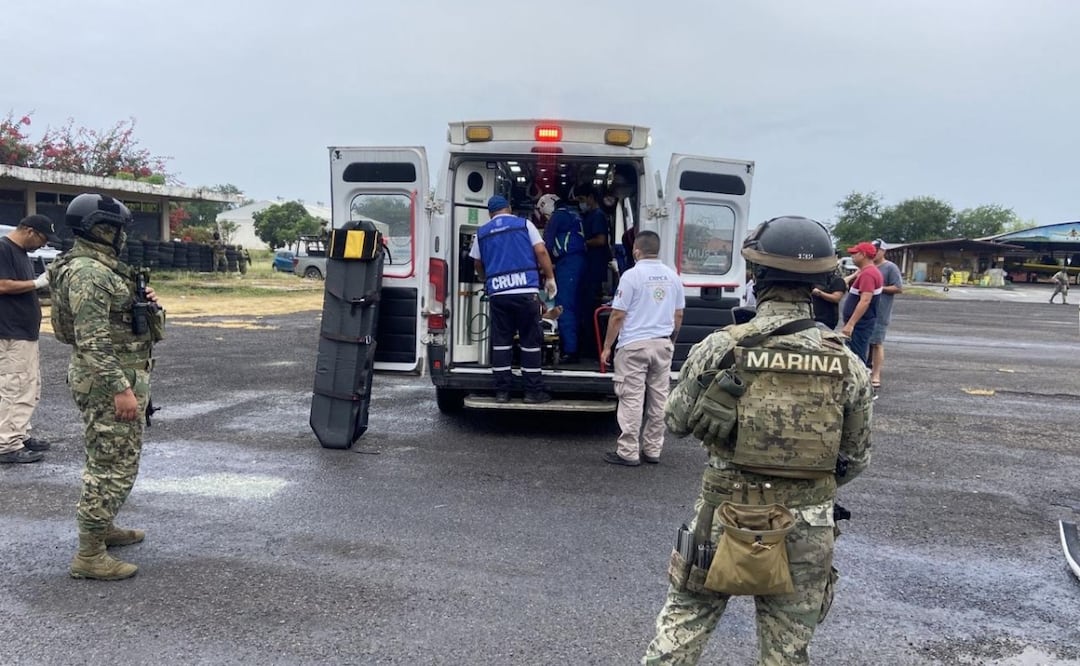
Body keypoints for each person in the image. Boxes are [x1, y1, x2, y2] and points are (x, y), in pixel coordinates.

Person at [643, 215, 873, 665]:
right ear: (822, 281)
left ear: (756, 275)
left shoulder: (719, 347)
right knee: (786, 651)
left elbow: (674, 421)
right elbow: (856, 456)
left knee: (683, 627)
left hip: (722, 515)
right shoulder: (847, 363)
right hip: (806, 526)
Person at [48, 193, 164, 581]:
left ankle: (103, 528)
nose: (122, 236)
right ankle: (89, 554)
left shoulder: (97, 268)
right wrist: (120, 388)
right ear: (103, 229)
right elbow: (92, 338)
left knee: (111, 458)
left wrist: (147, 305)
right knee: (112, 466)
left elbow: (121, 324)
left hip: (114, 375)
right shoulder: (90, 273)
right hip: (107, 381)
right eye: (118, 229)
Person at [599, 231, 685, 466]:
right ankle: (653, 450)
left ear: (636, 250)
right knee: (659, 399)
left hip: (634, 346)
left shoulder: (631, 276)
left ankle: (628, 452)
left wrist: (607, 347)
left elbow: (617, 316)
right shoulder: (673, 277)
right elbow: (678, 314)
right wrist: (672, 341)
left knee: (632, 398)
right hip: (662, 343)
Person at [470, 195, 556, 404]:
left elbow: (477, 263)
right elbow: (541, 251)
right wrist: (550, 278)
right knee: (530, 341)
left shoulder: (481, 232)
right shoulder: (525, 224)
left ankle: (502, 392)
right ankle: (532, 392)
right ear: (509, 208)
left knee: (501, 342)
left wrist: (485, 278)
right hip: (525, 292)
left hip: (498, 295)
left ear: (490, 213)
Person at [0, 215, 58, 464]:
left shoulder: (21, 253)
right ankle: (6, 443)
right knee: (13, 386)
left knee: (29, 387)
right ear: (30, 231)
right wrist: (36, 283)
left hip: (25, 332)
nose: (42, 246)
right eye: (43, 240)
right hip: (10, 331)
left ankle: (20, 433)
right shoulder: (3, 249)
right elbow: (2, 285)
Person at [538, 193, 586, 363]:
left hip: (568, 264)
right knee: (576, 306)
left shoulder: (557, 218)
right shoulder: (573, 214)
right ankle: (580, 348)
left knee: (564, 305)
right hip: (579, 262)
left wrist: (543, 266)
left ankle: (570, 351)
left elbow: (546, 246)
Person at [575, 184, 613, 356]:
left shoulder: (597, 216)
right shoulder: (589, 215)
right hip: (589, 269)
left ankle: (591, 350)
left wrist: (582, 244)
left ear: (591, 197)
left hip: (594, 271)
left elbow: (601, 240)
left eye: (582, 200)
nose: (581, 204)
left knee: (590, 310)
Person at [839, 241, 883, 365]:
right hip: (861, 323)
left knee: (856, 358)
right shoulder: (868, 271)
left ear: (863, 255)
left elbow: (865, 301)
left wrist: (851, 324)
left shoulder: (868, 274)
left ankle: (861, 383)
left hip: (860, 325)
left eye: (854, 253)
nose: (852, 256)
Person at [868, 239, 903, 390]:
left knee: (877, 343)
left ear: (883, 251)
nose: (874, 253)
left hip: (881, 311)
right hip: (865, 310)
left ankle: (876, 374)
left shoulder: (890, 267)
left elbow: (898, 287)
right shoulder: (868, 266)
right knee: (864, 342)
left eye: (877, 250)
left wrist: (879, 288)